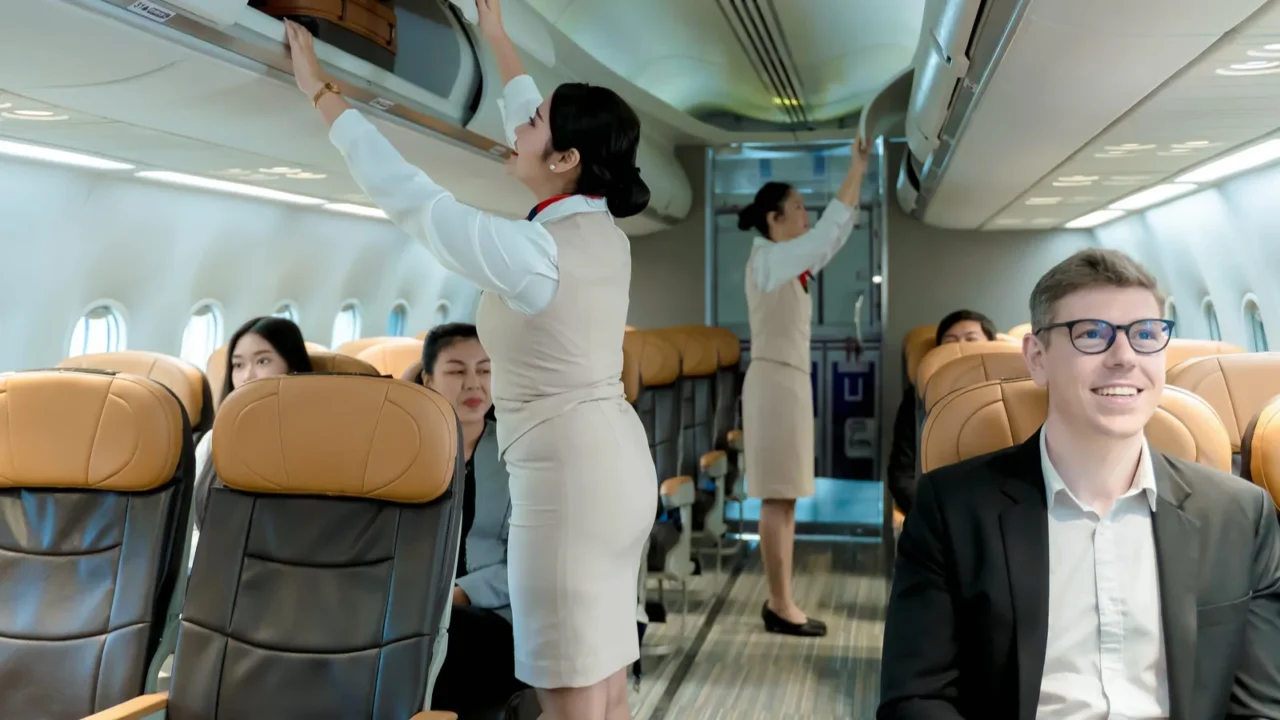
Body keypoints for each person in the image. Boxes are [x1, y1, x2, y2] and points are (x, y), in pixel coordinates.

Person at [285, 1, 657, 716]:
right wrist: (496, 36)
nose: (514, 129)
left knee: (568, 685)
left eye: (533, 126)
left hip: (567, 483)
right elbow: (532, 112)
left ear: (566, 159)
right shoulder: (598, 226)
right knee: (605, 673)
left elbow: (413, 200)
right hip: (614, 469)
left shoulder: (532, 252)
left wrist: (320, 91)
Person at [878, 248, 1280, 720]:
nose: (1124, 358)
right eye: (1092, 334)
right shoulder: (953, 509)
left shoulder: (1238, 514)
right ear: (1037, 358)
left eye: (1146, 334)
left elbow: (1259, 708)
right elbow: (916, 700)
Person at [738, 144, 869, 638]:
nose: (805, 216)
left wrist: (855, 181)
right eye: (796, 208)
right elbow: (827, 236)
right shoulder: (772, 258)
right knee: (778, 495)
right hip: (774, 383)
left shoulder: (781, 260)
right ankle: (779, 603)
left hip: (785, 381)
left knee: (786, 496)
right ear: (774, 218)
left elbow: (830, 237)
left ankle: (783, 599)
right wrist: (855, 169)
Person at [417, 324, 528, 718]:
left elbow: (529, 562)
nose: (473, 383)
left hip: (496, 613)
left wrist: (458, 595)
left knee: (453, 647)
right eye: (457, 371)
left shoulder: (520, 455)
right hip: (414, 612)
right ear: (428, 380)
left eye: (484, 370)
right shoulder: (402, 453)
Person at [192, 315, 313, 529]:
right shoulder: (213, 440)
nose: (248, 376)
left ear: (293, 366)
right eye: (238, 365)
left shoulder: (312, 441)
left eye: (263, 361)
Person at [885, 309, 998, 516]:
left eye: (970, 339)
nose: (959, 348)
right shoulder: (918, 397)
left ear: (991, 346)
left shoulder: (1012, 392)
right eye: (950, 341)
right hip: (936, 511)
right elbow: (902, 476)